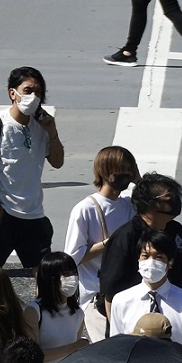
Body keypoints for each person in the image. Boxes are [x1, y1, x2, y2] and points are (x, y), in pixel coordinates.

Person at [0, 66, 61, 268]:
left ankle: (42, 301)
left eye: (38, 92)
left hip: (34, 214)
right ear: (13, 93)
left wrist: (52, 132)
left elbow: (57, 162)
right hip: (3, 214)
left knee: (44, 276)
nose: (34, 97)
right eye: (28, 91)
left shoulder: (42, 127)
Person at [61, 147, 137, 344]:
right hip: (97, 296)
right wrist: (110, 243)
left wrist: (139, 180)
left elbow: (161, 196)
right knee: (108, 350)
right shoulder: (85, 209)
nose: (126, 175)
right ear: (105, 172)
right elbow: (73, 257)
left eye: (130, 170)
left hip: (128, 291)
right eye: (122, 170)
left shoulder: (130, 204)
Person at [96, 172, 182, 313]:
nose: (175, 202)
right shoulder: (126, 237)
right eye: (169, 198)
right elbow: (111, 293)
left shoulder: (177, 232)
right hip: (133, 316)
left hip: (172, 314)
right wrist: (116, 332)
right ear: (150, 202)